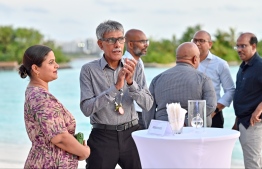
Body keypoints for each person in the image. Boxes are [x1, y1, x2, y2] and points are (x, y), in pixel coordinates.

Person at [79, 20, 153, 169]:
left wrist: (131, 83)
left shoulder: (134, 65)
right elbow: (86, 109)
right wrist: (115, 88)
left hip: (132, 134)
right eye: (111, 40)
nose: (117, 44)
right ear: (100, 44)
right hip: (102, 136)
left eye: (120, 39)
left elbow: (148, 104)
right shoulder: (88, 70)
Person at [18, 45, 90, 168]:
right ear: (36, 68)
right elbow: (59, 137)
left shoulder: (33, 92)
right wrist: (84, 152)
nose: (57, 65)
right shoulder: (41, 97)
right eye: (51, 62)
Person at [143, 42, 216, 128]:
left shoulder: (157, 79)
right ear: (195, 59)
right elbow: (211, 105)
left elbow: (148, 109)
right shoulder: (203, 79)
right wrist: (186, 121)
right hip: (194, 132)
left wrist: (149, 129)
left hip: (164, 132)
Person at [192, 30, 235, 128]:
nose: (197, 43)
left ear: (210, 44)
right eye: (195, 40)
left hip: (214, 114)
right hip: (191, 114)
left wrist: (215, 110)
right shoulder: (187, 62)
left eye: (201, 41)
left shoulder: (220, 64)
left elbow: (230, 90)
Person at [233, 32, 262, 169]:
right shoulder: (243, 66)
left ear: (253, 46)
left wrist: (259, 109)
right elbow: (243, 95)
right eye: (237, 46)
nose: (239, 49)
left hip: (253, 123)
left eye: (243, 46)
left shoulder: (260, 66)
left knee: (252, 164)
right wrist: (236, 120)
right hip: (242, 121)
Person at [123, 29, 150, 129]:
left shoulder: (138, 61)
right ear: (130, 44)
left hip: (140, 111)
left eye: (147, 41)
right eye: (142, 42)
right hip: (133, 115)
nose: (146, 45)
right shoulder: (126, 63)